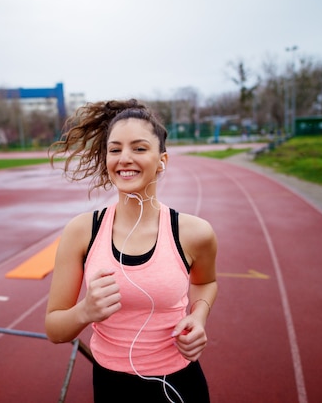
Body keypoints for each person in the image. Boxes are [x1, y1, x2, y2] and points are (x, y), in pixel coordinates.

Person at [45, 99, 218, 403]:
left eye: (139, 148)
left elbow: (205, 282)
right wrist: (86, 311)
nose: (124, 158)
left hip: (179, 383)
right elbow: (55, 330)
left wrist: (199, 315)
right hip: (111, 387)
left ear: (162, 160)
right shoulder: (82, 231)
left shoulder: (194, 232)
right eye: (115, 149)